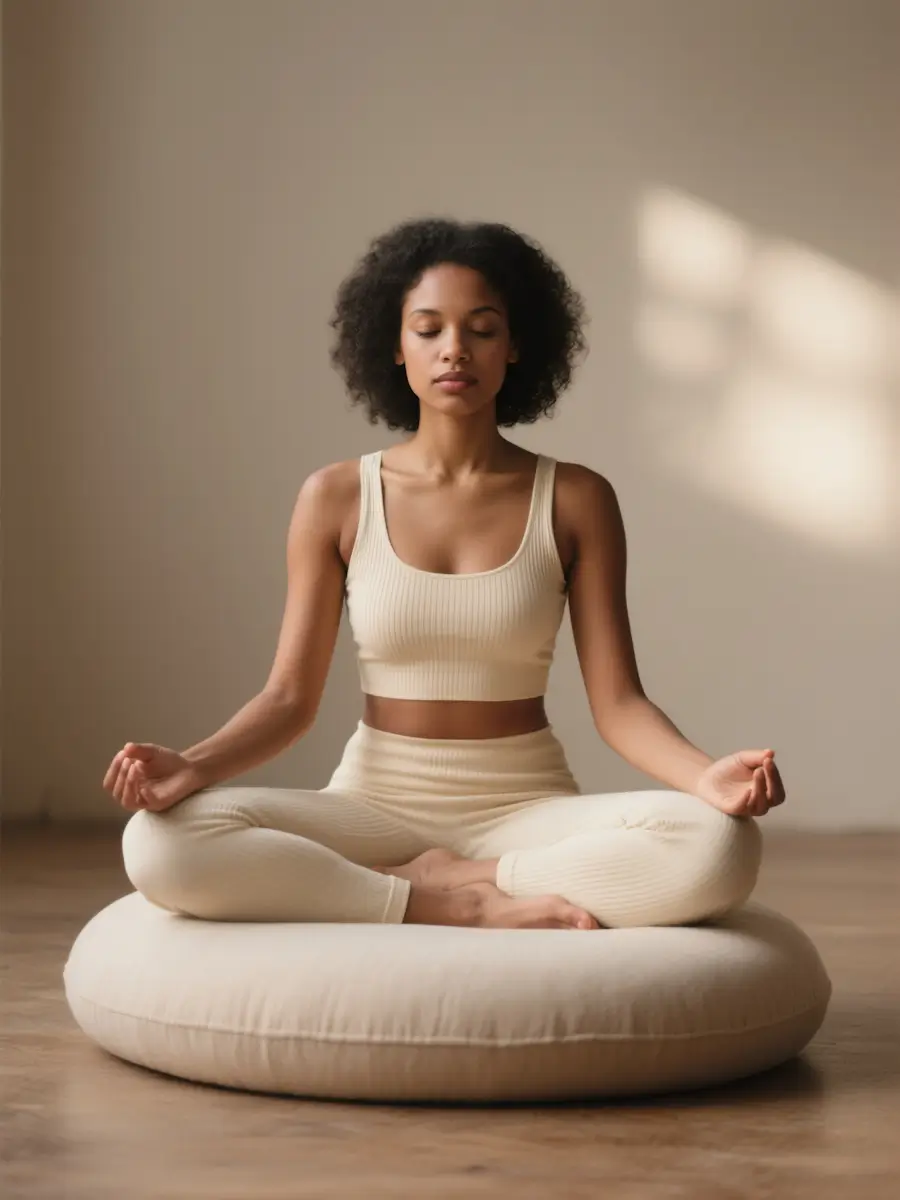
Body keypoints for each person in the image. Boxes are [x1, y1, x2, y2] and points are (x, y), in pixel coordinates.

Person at [105, 218, 784, 932]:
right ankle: (439, 902)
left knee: (717, 846)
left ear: (517, 345)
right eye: (428, 329)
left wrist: (705, 777)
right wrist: (193, 766)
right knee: (159, 841)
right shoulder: (336, 497)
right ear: (395, 347)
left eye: (482, 329)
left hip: (527, 808)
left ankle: (460, 878)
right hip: (370, 806)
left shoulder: (578, 498)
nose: (454, 349)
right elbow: (287, 700)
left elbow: (618, 705)